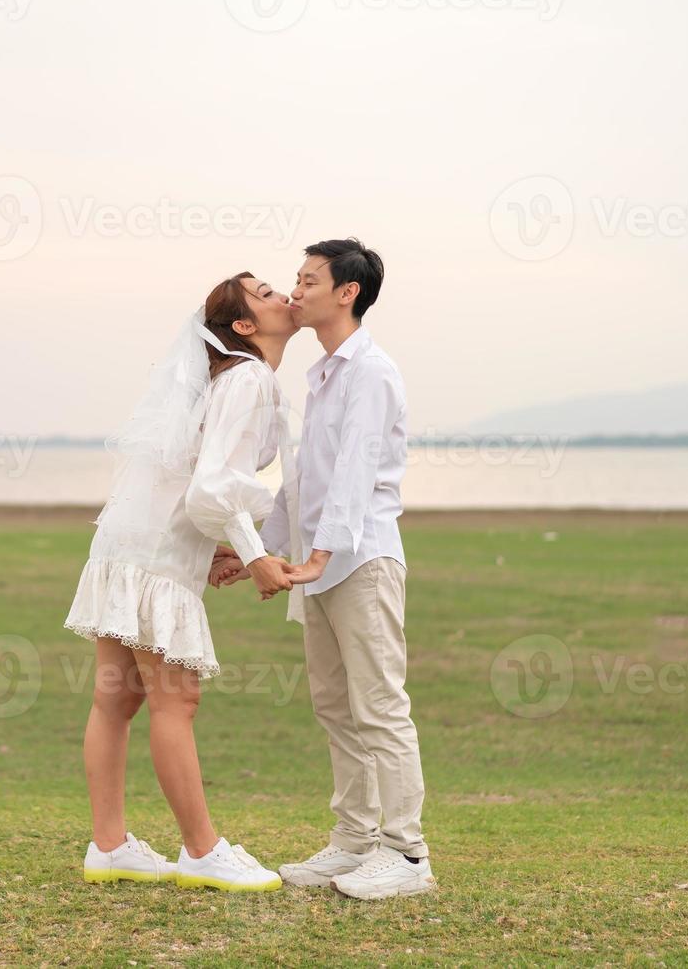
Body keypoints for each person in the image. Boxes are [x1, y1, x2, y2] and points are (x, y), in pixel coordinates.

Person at [65, 273, 302, 892]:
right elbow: (212, 488)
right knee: (177, 700)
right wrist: (254, 555)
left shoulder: (233, 378)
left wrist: (225, 545)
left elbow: (198, 480)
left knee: (116, 700)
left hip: (125, 541)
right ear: (245, 326)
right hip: (154, 555)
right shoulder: (248, 377)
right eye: (267, 292)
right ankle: (201, 852)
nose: (284, 295)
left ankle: (110, 846)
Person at [216, 239, 435, 900]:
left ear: (347, 293)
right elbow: (303, 481)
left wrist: (319, 553)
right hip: (323, 568)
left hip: (360, 560)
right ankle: (354, 842)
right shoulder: (323, 375)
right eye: (295, 279)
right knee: (335, 707)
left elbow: (355, 475)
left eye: (308, 280)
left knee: (380, 708)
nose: (296, 290)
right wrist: (253, 546)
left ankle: (407, 855)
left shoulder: (372, 372)